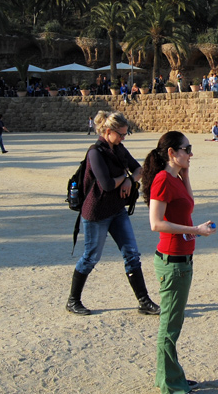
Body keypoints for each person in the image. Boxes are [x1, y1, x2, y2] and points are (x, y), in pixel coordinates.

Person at [142, 131, 216, 394]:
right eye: (187, 149)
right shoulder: (162, 180)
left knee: (174, 322)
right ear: (172, 152)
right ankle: (172, 385)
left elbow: (189, 202)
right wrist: (195, 229)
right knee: (170, 325)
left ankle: (168, 375)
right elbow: (156, 223)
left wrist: (185, 174)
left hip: (182, 260)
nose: (191, 153)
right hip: (172, 261)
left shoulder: (174, 178)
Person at [66, 111, 159, 317]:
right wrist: (123, 177)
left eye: (125, 134)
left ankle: (143, 301)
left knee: (132, 254)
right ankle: (73, 301)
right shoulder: (95, 153)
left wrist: (128, 180)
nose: (123, 138)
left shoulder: (118, 148)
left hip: (117, 210)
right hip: (96, 212)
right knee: (91, 257)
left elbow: (138, 170)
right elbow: (106, 184)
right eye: (121, 134)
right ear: (108, 132)